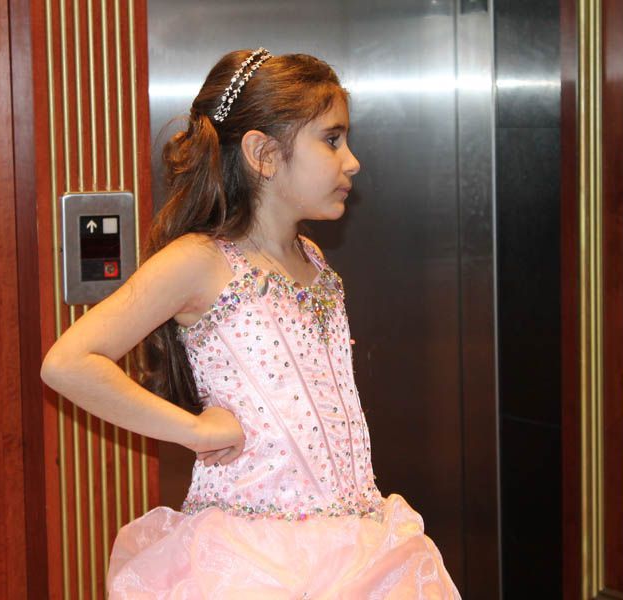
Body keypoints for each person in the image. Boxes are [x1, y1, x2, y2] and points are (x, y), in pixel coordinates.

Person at [40, 47, 461, 599]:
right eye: (331, 140)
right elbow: (68, 363)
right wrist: (192, 429)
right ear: (263, 153)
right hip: (250, 562)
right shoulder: (201, 259)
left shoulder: (313, 258)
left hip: (358, 550)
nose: (351, 160)